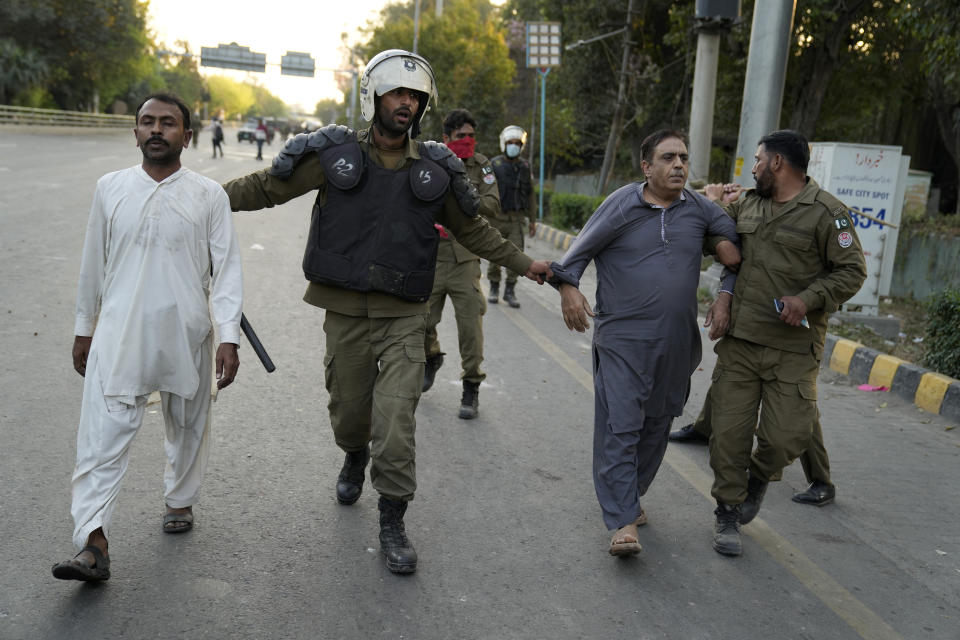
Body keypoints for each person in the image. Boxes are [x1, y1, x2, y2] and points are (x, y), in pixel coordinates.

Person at [222, 50, 553, 574]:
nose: (407, 103)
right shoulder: (335, 156)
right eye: (398, 93)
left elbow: (473, 230)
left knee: (396, 422)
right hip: (346, 312)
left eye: (415, 97)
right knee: (350, 415)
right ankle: (353, 453)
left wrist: (527, 263)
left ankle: (393, 518)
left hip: (406, 316)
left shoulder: (436, 169)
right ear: (374, 96)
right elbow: (267, 187)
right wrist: (203, 201)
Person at [51, 93, 243, 582]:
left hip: (187, 334)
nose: (156, 130)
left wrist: (228, 337)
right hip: (119, 334)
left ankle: (180, 500)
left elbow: (226, 274)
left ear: (188, 135)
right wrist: (83, 330)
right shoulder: (111, 188)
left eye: (168, 123)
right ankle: (92, 542)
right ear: (135, 132)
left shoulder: (208, 196)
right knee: (100, 440)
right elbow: (92, 264)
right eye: (147, 122)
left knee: (187, 425)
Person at [548, 129, 741, 557]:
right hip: (622, 339)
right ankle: (620, 522)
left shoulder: (699, 210)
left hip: (675, 343)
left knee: (657, 425)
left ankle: (629, 496)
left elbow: (735, 250)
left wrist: (725, 291)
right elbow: (573, 256)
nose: (678, 166)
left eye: (684, 158)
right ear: (646, 166)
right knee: (622, 425)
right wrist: (569, 289)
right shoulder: (621, 204)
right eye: (668, 157)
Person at [703, 129, 866, 557]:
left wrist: (807, 299)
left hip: (794, 349)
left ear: (777, 163)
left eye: (757, 160)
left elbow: (851, 272)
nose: (752, 167)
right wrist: (722, 291)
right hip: (740, 342)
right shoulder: (748, 205)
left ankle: (757, 481)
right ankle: (728, 510)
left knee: (784, 438)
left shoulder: (829, 214)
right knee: (728, 437)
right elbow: (712, 238)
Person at [421, 108, 500, 419]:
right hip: (433, 255)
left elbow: (492, 204)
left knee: (470, 325)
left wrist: (463, 208)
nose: (467, 141)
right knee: (422, 320)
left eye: (471, 136)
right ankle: (431, 357)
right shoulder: (431, 161)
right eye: (460, 136)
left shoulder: (482, 167)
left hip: (465, 257)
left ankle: (471, 386)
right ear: (446, 139)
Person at [669, 382, 837, 505]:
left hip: (792, 347)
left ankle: (821, 479)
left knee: (799, 404)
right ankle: (704, 428)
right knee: (730, 376)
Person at [488, 125, 537, 308]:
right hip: (497, 218)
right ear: (504, 143)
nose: (514, 146)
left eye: (517, 143)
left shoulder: (525, 166)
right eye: (510, 143)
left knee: (516, 256)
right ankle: (494, 287)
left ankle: (510, 290)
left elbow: (530, 194)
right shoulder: (494, 165)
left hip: (517, 220)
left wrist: (532, 220)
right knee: (495, 255)